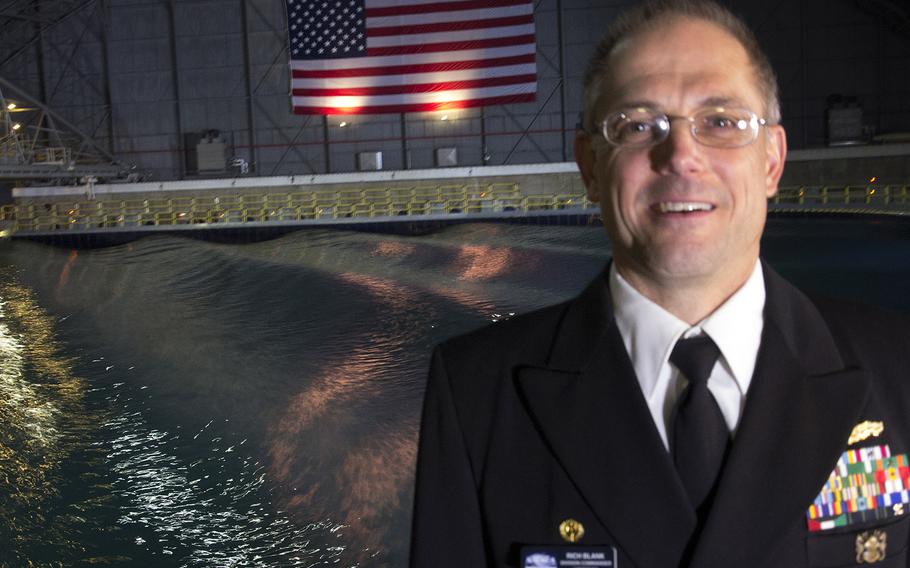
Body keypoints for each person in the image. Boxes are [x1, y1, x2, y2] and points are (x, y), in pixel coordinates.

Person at [410, 1, 910, 567]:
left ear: (772, 161)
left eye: (721, 121)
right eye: (638, 125)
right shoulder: (476, 392)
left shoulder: (899, 366)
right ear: (591, 167)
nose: (681, 156)